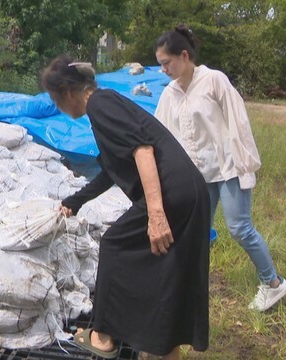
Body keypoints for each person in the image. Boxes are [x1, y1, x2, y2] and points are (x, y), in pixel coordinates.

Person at [42, 55, 210, 359]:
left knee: (115, 246)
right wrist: (73, 202)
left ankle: (103, 336)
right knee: (163, 267)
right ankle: (162, 346)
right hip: (187, 189)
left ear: (67, 92)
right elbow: (111, 170)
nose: (58, 108)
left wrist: (156, 214)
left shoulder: (100, 106)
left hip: (171, 193)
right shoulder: (105, 104)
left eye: (56, 99)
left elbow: (142, 150)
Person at [154, 25, 286, 312]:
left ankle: (273, 284)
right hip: (198, 174)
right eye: (160, 64)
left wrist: (244, 165)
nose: (163, 70)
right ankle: (188, 287)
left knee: (239, 228)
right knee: (196, 231)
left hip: (228, 168)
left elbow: (239, 121)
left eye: (166, 63)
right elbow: (161, 133)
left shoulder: (213, 80)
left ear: (184, 55)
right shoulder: (169, 94)